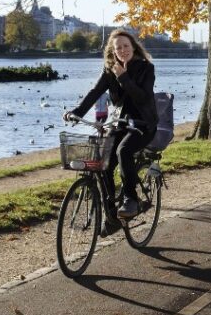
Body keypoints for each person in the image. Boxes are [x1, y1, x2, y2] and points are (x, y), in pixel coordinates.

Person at [65, 29, 158, 224]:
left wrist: (124, 77)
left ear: (133, 47)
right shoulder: (110, 71)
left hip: (143, 124)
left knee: (123, 150)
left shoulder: (146, 68)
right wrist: (77, 112)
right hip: (120, 123)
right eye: (118, 48)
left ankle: (131, 199)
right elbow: (95, 92)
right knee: (103, 162)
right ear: (113, 51)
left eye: (126, 46)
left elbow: (142, 97)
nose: (123, 50)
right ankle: (112, 214)